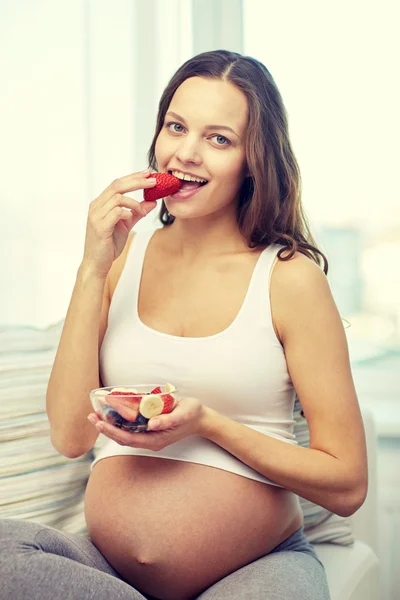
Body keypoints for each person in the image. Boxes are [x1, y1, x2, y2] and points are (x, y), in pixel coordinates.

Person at [0, 49, 367, 600]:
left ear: (253, 160)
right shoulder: (122, 257)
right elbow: (71, 436)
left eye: (219, 139)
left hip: (255, 569)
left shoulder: (289, 278)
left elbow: (348, 485)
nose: (185, 154)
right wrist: (92, 265)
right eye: (176, 127)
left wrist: (207, 424)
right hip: (110, 575)